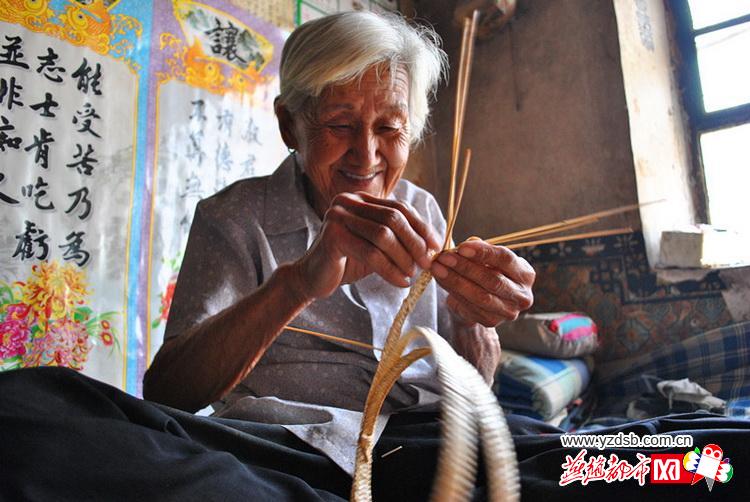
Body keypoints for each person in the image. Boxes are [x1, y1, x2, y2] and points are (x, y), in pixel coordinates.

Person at [142, 9, 535, 480]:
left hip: (427, 442)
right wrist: (299, 283)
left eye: (389, 128)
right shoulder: (235, 218)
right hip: (289, 452)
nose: (366, 155)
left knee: (621, 458)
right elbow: (167, 394)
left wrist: (474, 317)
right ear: (291, 125)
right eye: (340, 125)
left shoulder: (425, 210)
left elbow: (479, 386)